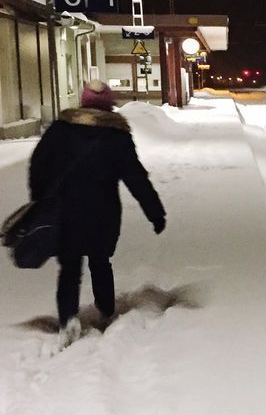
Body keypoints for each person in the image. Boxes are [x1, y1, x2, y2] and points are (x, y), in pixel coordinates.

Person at [29, 80, 166, 344]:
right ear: (109, 104)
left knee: (69, 267)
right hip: (103, 212)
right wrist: (155, 213)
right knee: (100, 262)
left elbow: (38, 166)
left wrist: (40, 200)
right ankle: (105, 312)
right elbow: (135, 177)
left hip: (64, 210)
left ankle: (68, 319)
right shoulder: (117, 135)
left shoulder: (60, 130)